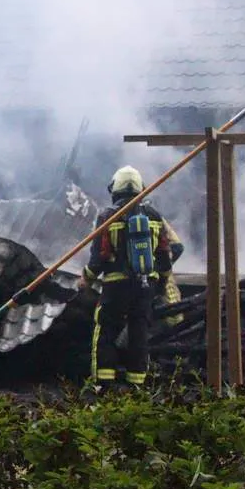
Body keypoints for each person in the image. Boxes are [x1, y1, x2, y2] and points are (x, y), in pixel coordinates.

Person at [81, 165, 184, 390]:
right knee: (139, 334)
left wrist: (86, 279)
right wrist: (163, 280)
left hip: (115, 286)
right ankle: (136, 386)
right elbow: (165, 255)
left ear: (115, 190)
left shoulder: (108, 217)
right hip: (146, 286)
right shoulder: (154, 217)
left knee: (106, 330)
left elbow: (98, 258)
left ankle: (103, 386)